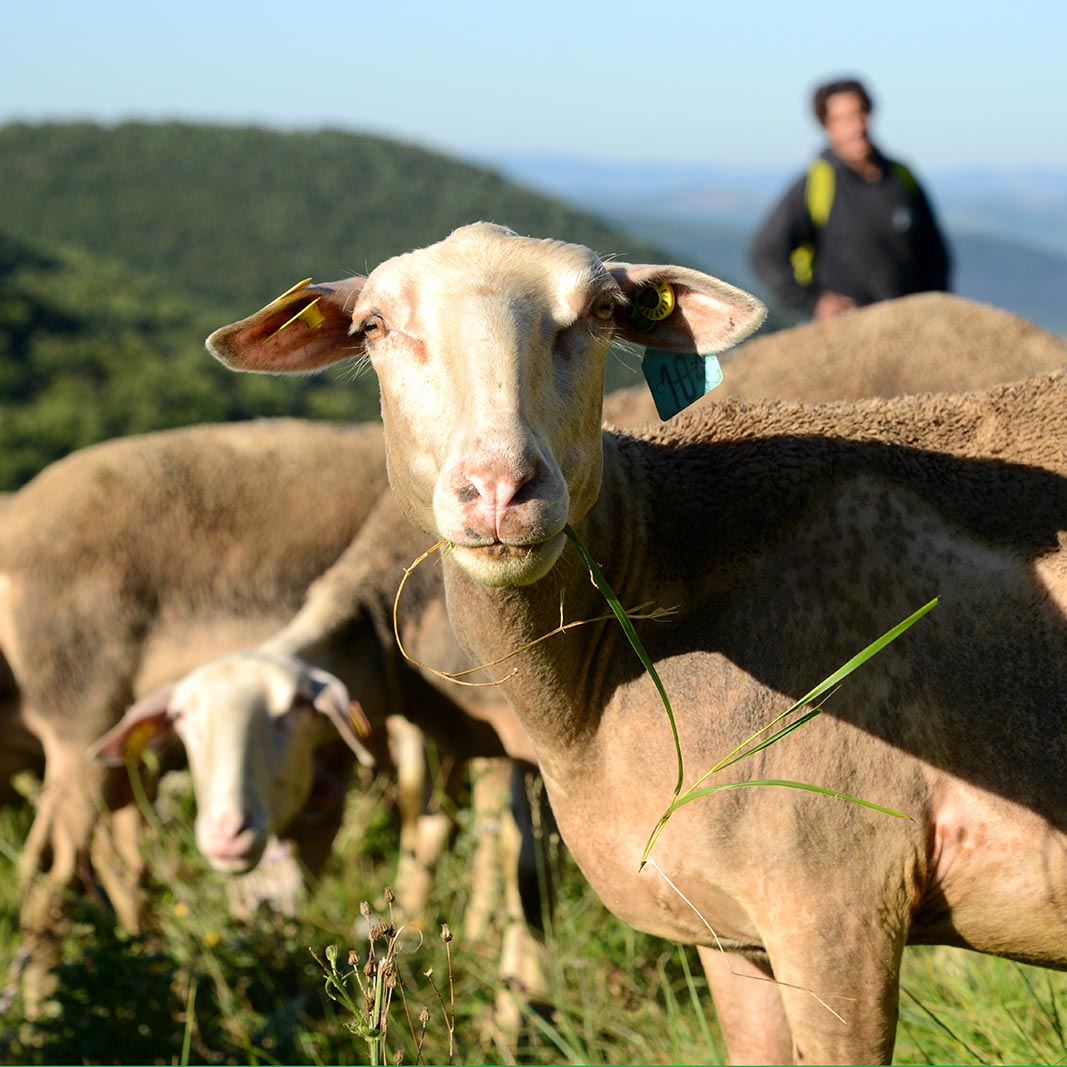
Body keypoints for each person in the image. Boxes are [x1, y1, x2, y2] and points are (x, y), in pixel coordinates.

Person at [749, 77, 951, 320]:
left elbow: (936, 254)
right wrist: (813, 302)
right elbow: (765, 253)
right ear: (826, 125)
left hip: (908, 326)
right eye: (841, 119)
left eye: (859, 113)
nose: (856, 127)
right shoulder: (817, 184)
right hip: (846, 332)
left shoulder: (902, 177)